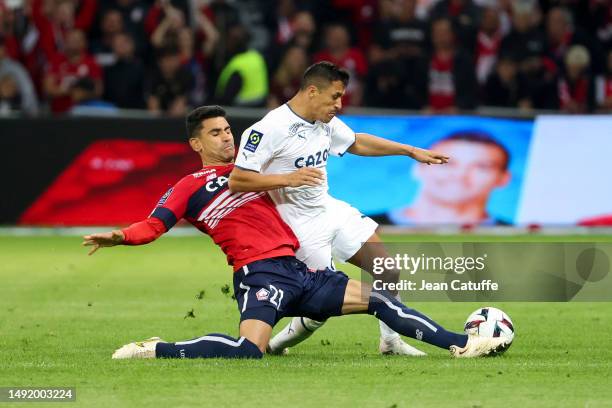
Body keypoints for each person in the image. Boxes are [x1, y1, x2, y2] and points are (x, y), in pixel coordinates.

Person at [82, 105, 510, 360]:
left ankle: (462, 344)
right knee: (247, 351)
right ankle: (158, 348)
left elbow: (337, 143)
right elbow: (153, 226)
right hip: (260, 273)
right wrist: (119, 236)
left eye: (228, 129)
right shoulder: (188, 187)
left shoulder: (254, 165)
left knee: (380, 294)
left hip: (300, 265)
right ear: (196, 144)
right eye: (215, 133)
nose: (226, 137)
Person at [229, 61, 448, 356]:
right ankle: (276, 345)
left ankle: (391, 342)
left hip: (330, 210)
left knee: (388, 269)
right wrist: (287, 179)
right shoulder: (268, 129)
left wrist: (409, 151)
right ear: (311, 91)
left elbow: (357, 142)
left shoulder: (325, 121)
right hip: (297, 226)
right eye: (334, 97)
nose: (339, 104)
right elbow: (238, 179)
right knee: (321, 304)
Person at [385, 132, 511, 226]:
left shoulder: (514, 237)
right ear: (419, 168)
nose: (460, 175)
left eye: (482, 167)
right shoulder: (368, 229)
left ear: (503, 179)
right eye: (446, 163)